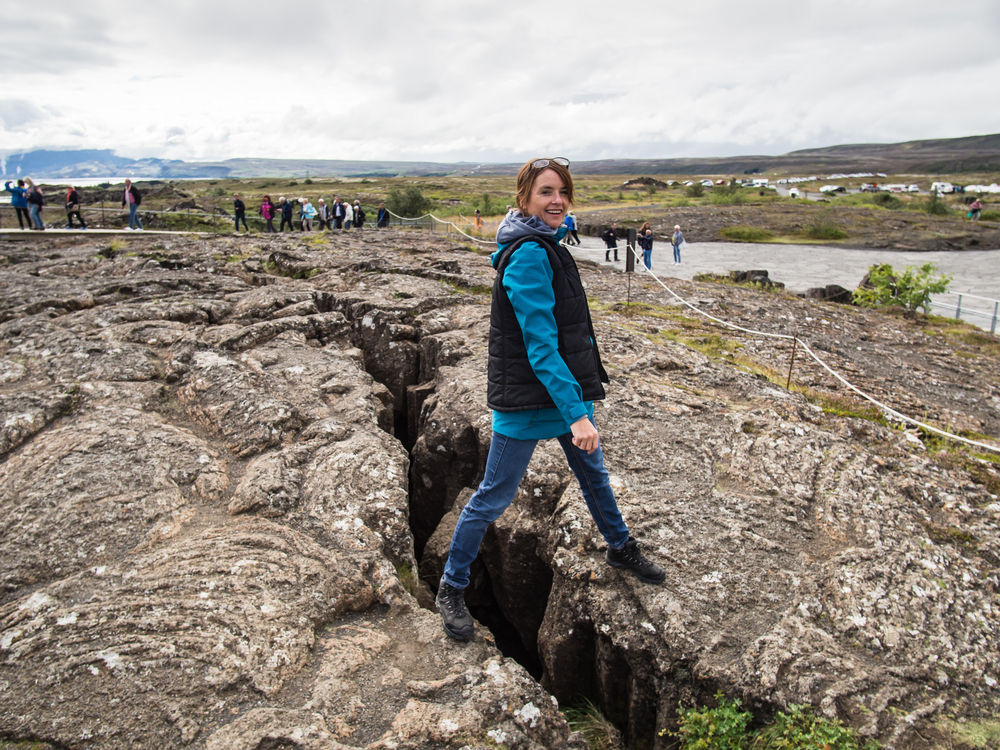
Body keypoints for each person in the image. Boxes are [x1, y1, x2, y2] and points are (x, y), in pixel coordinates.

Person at [435, 157, 665, 643]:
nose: (556, 199)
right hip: (530, 400)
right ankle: (451, 586)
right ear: (525, 200)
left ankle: (620, 546)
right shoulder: (530, 254)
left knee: (593, 476)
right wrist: (578, 415)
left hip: (562, 392)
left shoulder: (546, 243)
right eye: (545, 191)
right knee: (492, 497)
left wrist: (576, 404)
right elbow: (541, 346)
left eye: (562, 190)